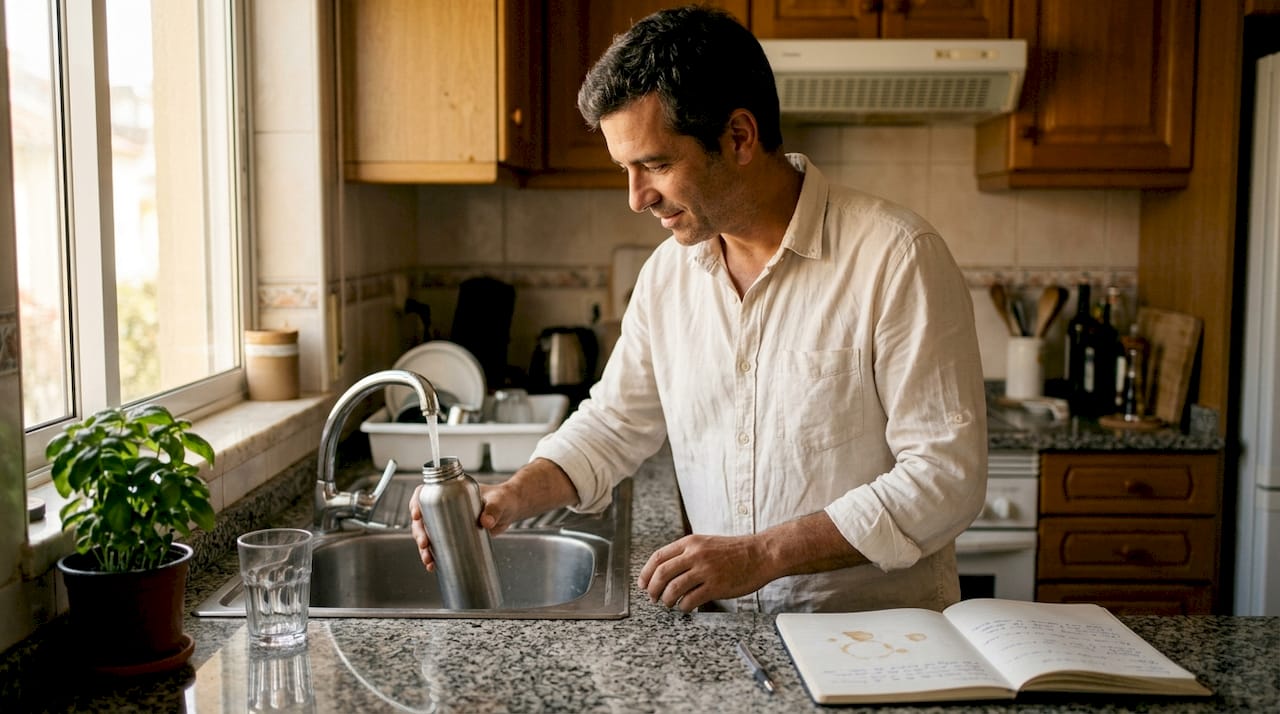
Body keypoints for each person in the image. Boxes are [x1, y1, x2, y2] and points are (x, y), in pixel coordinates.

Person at [411, 5, 987, 614]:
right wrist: (510, 497)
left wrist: (762, 555)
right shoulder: (667, 276)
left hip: (879, 644)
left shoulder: (895, 257)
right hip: (735, 647)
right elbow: (613, 424)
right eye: (625, 170)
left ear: (739, 136)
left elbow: (945, 479)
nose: (636, 198)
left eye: (656, 164)